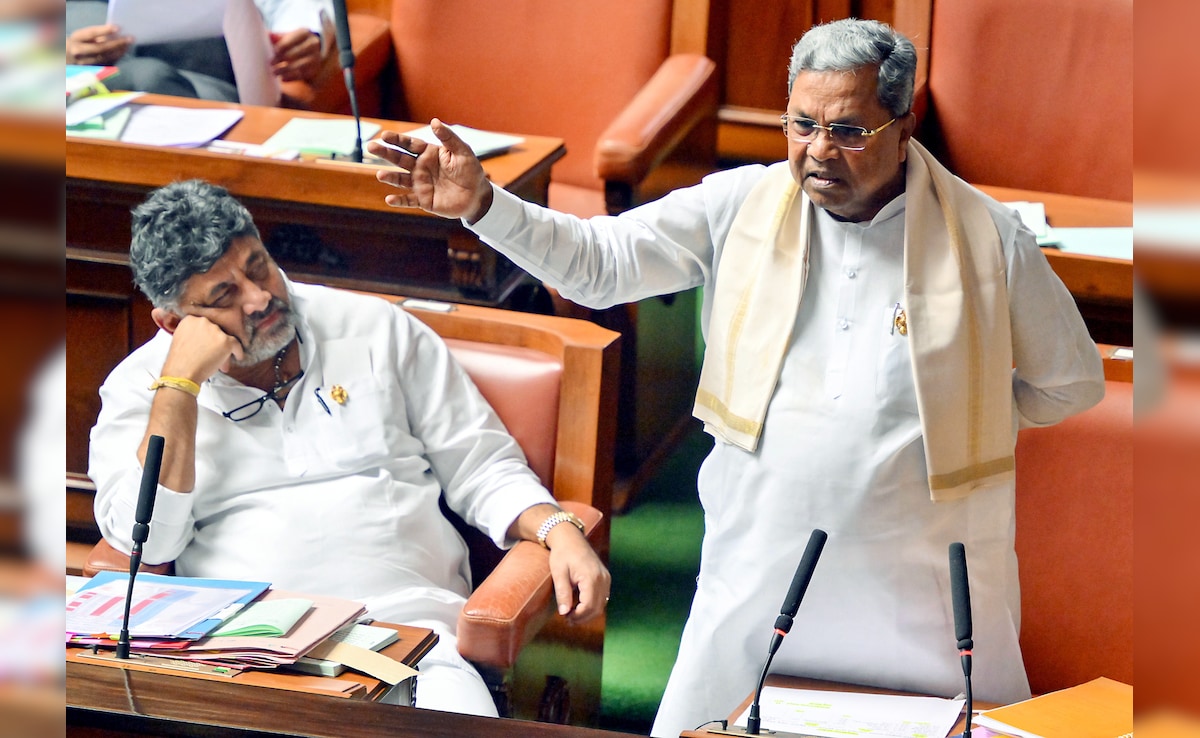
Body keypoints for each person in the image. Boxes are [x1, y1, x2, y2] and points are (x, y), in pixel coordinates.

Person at [367, 18, 1107, 736]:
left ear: (904, 126)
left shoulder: (988, 236)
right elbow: (600, 266)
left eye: (849, 131)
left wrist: (960, 415)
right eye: (801, 124)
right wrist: (484, 207)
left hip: (926, 590)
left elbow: (1070, 381)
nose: (820, 150)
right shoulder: (740, 203)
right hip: (758, 568)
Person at [88, 179, 610, 716]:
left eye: (258, 265)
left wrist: (556, 529)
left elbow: (481, 465)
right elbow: (145, 544)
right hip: (244, 655)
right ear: (175, 323)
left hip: (408, 640)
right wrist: (178, 390)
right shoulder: (137, 389)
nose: (260, 297)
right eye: (224, 296)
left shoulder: (375, 326)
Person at [65, 0, 328, 102]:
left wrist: (304, 36)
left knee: (149, 78)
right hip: (77, 77)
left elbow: (297, 8)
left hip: (206, 78)